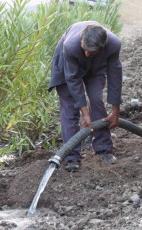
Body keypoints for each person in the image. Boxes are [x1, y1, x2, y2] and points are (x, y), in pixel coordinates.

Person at [49, 21, 123, 171]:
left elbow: (115, 75)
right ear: (81, 38)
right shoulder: (70, 45)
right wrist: (85, 113)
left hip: (96, 66)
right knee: (70, 108)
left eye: (92, 51)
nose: (87, 54)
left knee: (96, 99)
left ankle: (103, 149)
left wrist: (116, 111)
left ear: (102, 47)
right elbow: (73, 80)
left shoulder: (113, 44)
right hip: (67, 66)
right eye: (86, 49)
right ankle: (72, 157)